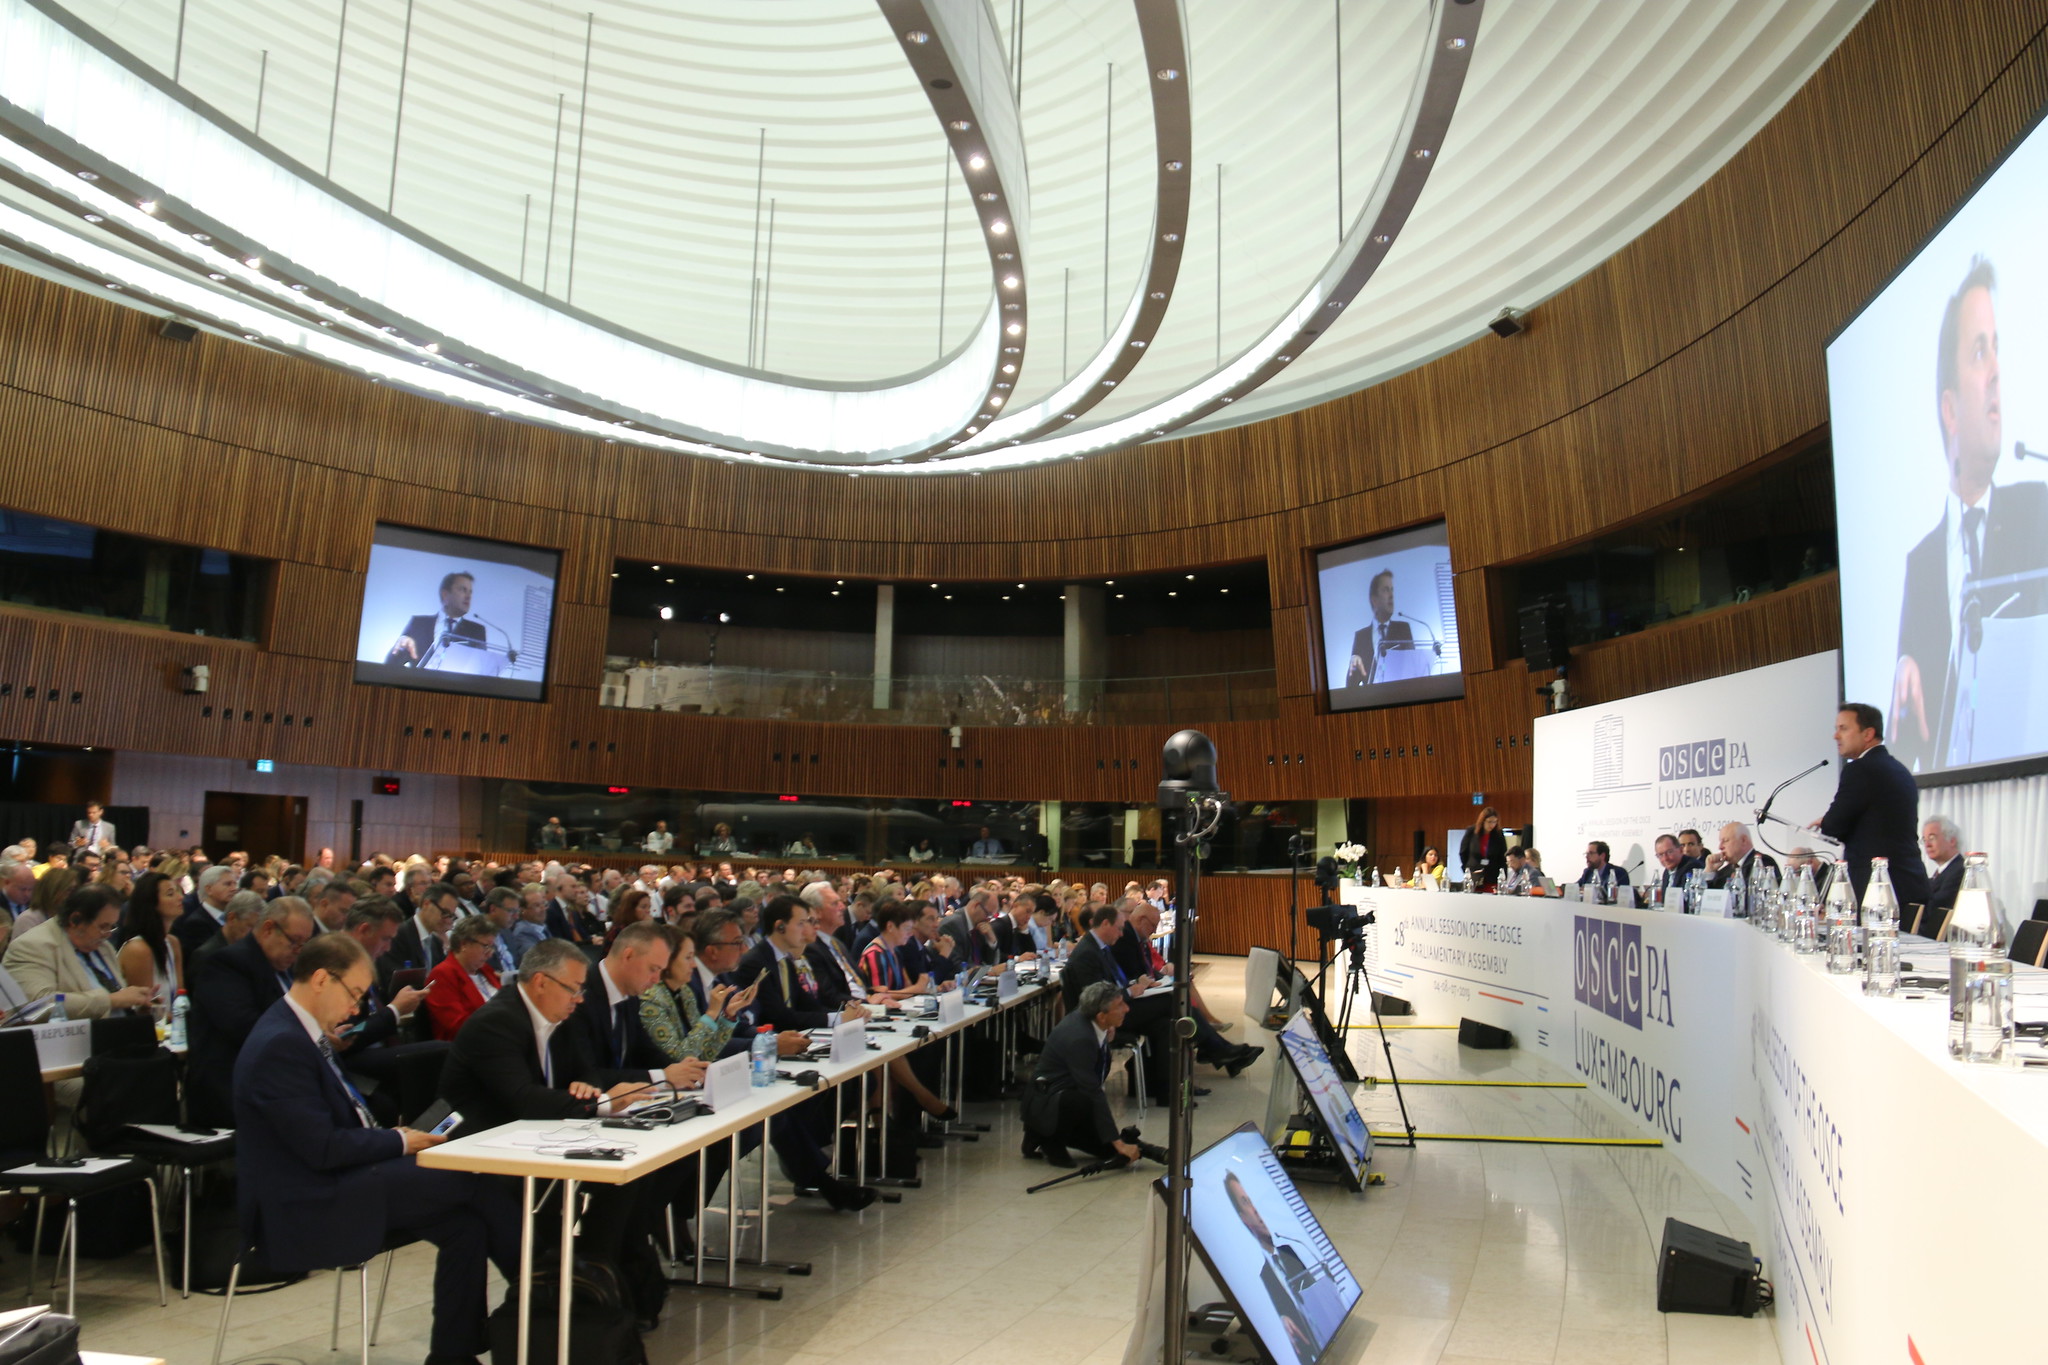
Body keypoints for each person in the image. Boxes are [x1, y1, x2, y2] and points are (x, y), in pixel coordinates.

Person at [232, 932, 520, 1365]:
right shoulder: (281, 1043)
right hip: (306, 1200)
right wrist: (399, 1141)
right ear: (321, 979)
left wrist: (394, 1137)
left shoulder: (298, 1029)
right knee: (471, 1175)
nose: (356, 1009)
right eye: (354, 994)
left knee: (466, 1227)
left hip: (339, 1177)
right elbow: (322, 1148)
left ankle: (453, 1355)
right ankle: (543, 1287)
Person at [1891, 257, 2048, 770]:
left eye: (1997, 347)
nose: (1998, 370)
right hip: (1950, 791)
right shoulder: (1921, 565)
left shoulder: (2037, 510)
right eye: (1980, 352)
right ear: (1950, 409)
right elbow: (1910, 742)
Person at [186, 897, 317, 1126]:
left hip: (279, 1075)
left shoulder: (285, 966)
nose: (298, 951)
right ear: (268, 929)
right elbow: (245, 1027)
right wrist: (307, 1035)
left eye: (303, 944)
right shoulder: (227, 963)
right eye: (294, 942)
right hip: (236, 1085)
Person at [1020, 981, 1166, 1169]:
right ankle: (1049, 1140)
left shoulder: (1091, 1021)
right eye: (1119, 1005)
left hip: (1066, 1100)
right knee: (1083, 1102)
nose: (1127, 1008)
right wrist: (1117, 1142)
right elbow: (1092, 1091)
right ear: (1101, 1016)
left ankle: (1036, 1135)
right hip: (1050, 1102)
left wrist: (1114, 1142)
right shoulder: (1080, 1038)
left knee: (1108, 1151)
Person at [1815, 702, 1929, 907]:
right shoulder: (1901, 770)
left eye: (1843, 728)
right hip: (1909, 883)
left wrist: (1827, 821)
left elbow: (1833, 826)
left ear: (1868, 734)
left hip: (1876, 892)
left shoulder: (1859, 769)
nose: (1836, 736)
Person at [3, 885, 156, 1018]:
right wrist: (111, 1000)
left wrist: (137, 1005)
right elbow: (39, 1005)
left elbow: (118, 996)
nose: (108, 934)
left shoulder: (103, 948)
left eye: (111, 926)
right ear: (75, 920)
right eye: (103, 926)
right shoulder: (32, 946)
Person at [1223, 1169, 1324, 1365]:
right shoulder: (1256, 1274)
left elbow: (1313, 1295)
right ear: (1243, 1218)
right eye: (1246, 1202)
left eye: (1253, 1199)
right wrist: (1279, 1321)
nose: (1256, 1209)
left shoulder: (1289, 1251)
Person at [639, 924, 749, 1062]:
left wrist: (728, 1015)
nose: (694, 964)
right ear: (668, 960)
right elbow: (681, 1058)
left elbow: (705, 1054)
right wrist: (711, 1014)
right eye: (688, 957)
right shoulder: (651, 999)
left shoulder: (685, 992)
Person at [384, 569, 491, 669]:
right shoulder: (418, 623)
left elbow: (480, 670)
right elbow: (390, 667)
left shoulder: (477, 631)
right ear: (445, 594)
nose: (468, 596)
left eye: (470, 592)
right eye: (463, 590)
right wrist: (400, 649)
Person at [421, 916, 503, 1040]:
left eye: (492, 947)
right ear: (464, 944)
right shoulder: (442, 974)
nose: (490, 954)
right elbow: (457, 1025)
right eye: (486, 946)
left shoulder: (486, 970)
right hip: (473, 1042)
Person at [116, 871, 186, 1009]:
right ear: (151, 903)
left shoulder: (172, 942)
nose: (180, 897)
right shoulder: (138, 949)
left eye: (178, 892)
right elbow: (146, 1007)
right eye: (170, 894)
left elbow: (180, 995)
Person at [1345, 569, 1413, 687]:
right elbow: (1351, 686)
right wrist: (1353, 668)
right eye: (1386, 590)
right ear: (1374, 600)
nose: (1391, 595)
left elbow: (1413, 668)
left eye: (1392, 590)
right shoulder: (1361, 637)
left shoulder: (1403, 629)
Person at [1704, 822, 1779, 890]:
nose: (1720, 847)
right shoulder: (1725, 871)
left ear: (1743, 840)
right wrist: (1710, 871)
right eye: (1720, 842)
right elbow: (1709, 895)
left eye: (1725, 840)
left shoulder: (1763, 862)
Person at [1922, 815, 1965, 914]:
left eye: (1932, 838)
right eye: (1924, 840)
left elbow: (1936, 908)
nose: (1927, 845)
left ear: (1952, 841)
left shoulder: (1960, 870)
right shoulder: (1940, 873)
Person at [1462, 807, 1507, 891]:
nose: (1492, 825)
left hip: (1492, 874)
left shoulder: (1498, 834)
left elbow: (1502, 856)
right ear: (1483, 821)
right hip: (1474, 874)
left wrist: (1504, 877)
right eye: (1489, 822)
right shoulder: (1471, 831)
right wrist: (1466, 870)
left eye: (1495, 822)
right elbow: (1463, 852)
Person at [1646, 835, 1699, 900]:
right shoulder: (1667, 872)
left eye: (1669, 852)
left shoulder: (1692, 867)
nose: (1665, 858)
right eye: (1661, 855)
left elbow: (1685, 900)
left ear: (1681, 850)